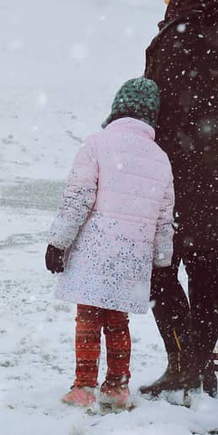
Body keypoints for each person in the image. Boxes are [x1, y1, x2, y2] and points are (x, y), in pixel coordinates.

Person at [139, 0, 218, 398]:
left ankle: (184, 365)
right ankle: (199, 367)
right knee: (205, 267)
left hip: (176, 174)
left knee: (160, 269)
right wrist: (214, 142)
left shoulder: (177, 36)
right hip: (217, 172)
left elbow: (158, 111)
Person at [45, 77, 175, 411]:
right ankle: (117, 386)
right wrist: (161, 263)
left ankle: (84, 387)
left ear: (117, 108)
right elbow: (164, 219)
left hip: (95, 252)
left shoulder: (96, 144)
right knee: (118, 322)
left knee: (88, 319)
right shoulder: (161, 158)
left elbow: (77, 199)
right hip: (133, 259)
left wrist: (58, 243)